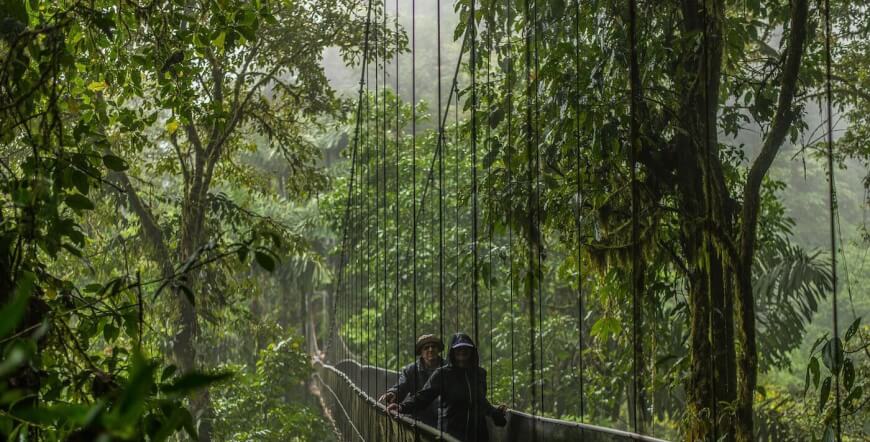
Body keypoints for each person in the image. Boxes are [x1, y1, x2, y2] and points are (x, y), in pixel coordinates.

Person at [387, 332, 507, 442]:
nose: (462, 351)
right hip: (450, 434)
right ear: (452, 352)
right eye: (458, 349)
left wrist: (494, 413)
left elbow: (479, 400)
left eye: (466, 348)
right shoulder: (442, 374)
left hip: (477, 435)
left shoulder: (479, 373)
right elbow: (423, 397)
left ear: (472, 351)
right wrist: (401, 407)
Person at [377, 334, 445, 427]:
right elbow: (402, 385)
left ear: (438, 349)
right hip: (419, 421)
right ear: (421, 352)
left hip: (444, 421)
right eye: (426, 347)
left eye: (433, 346)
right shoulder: (411, 370)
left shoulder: (448, 368)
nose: (430, 349)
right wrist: (393, 393)